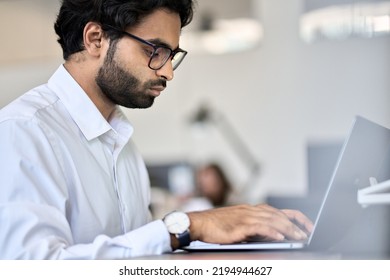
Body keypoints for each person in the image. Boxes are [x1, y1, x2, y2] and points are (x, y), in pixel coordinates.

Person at [0, 0, 313, 259]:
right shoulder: (24, 132)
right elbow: (30, 268)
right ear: (95, 39)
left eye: (171, 56)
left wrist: (225, 239)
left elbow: (134, 258)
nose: (166, 72)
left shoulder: (122, 143)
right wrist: (184, 226)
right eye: (155, 50)